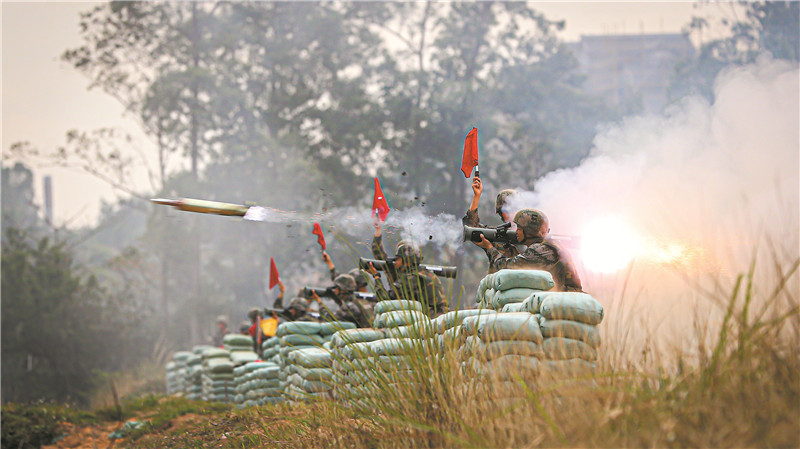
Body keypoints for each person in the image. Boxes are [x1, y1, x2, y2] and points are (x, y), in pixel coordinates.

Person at [474, 208, 583, 292]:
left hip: (565, 297)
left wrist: (489, 248)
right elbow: (525, 268)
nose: (516, 232)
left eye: (519, 229)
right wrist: (512, 252)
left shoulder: (540, 249)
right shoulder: (546, 246)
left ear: (529, 231)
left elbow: (506, 267)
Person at [367, 241, 448, 317]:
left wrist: (376, 276)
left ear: (407, 261)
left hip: (432, 319)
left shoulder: (411, 277)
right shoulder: (425, 273)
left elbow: (385, 298)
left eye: (398, 259)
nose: (396, 263)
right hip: (438, 316)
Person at [463, 176, 520, 272]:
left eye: (513, 209)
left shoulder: (533, 234)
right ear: (501, 214)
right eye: (505, 210)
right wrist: (476, 196)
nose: (510, 214)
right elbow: (471, 228)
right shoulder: (498, 236)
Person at [309, 274, 373, 328]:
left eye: (336, 288)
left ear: (342, 290)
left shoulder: (350, 307)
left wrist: (319, 302)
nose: (335, 291)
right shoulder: (360, 302)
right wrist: (335, 298)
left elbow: (329, 318)